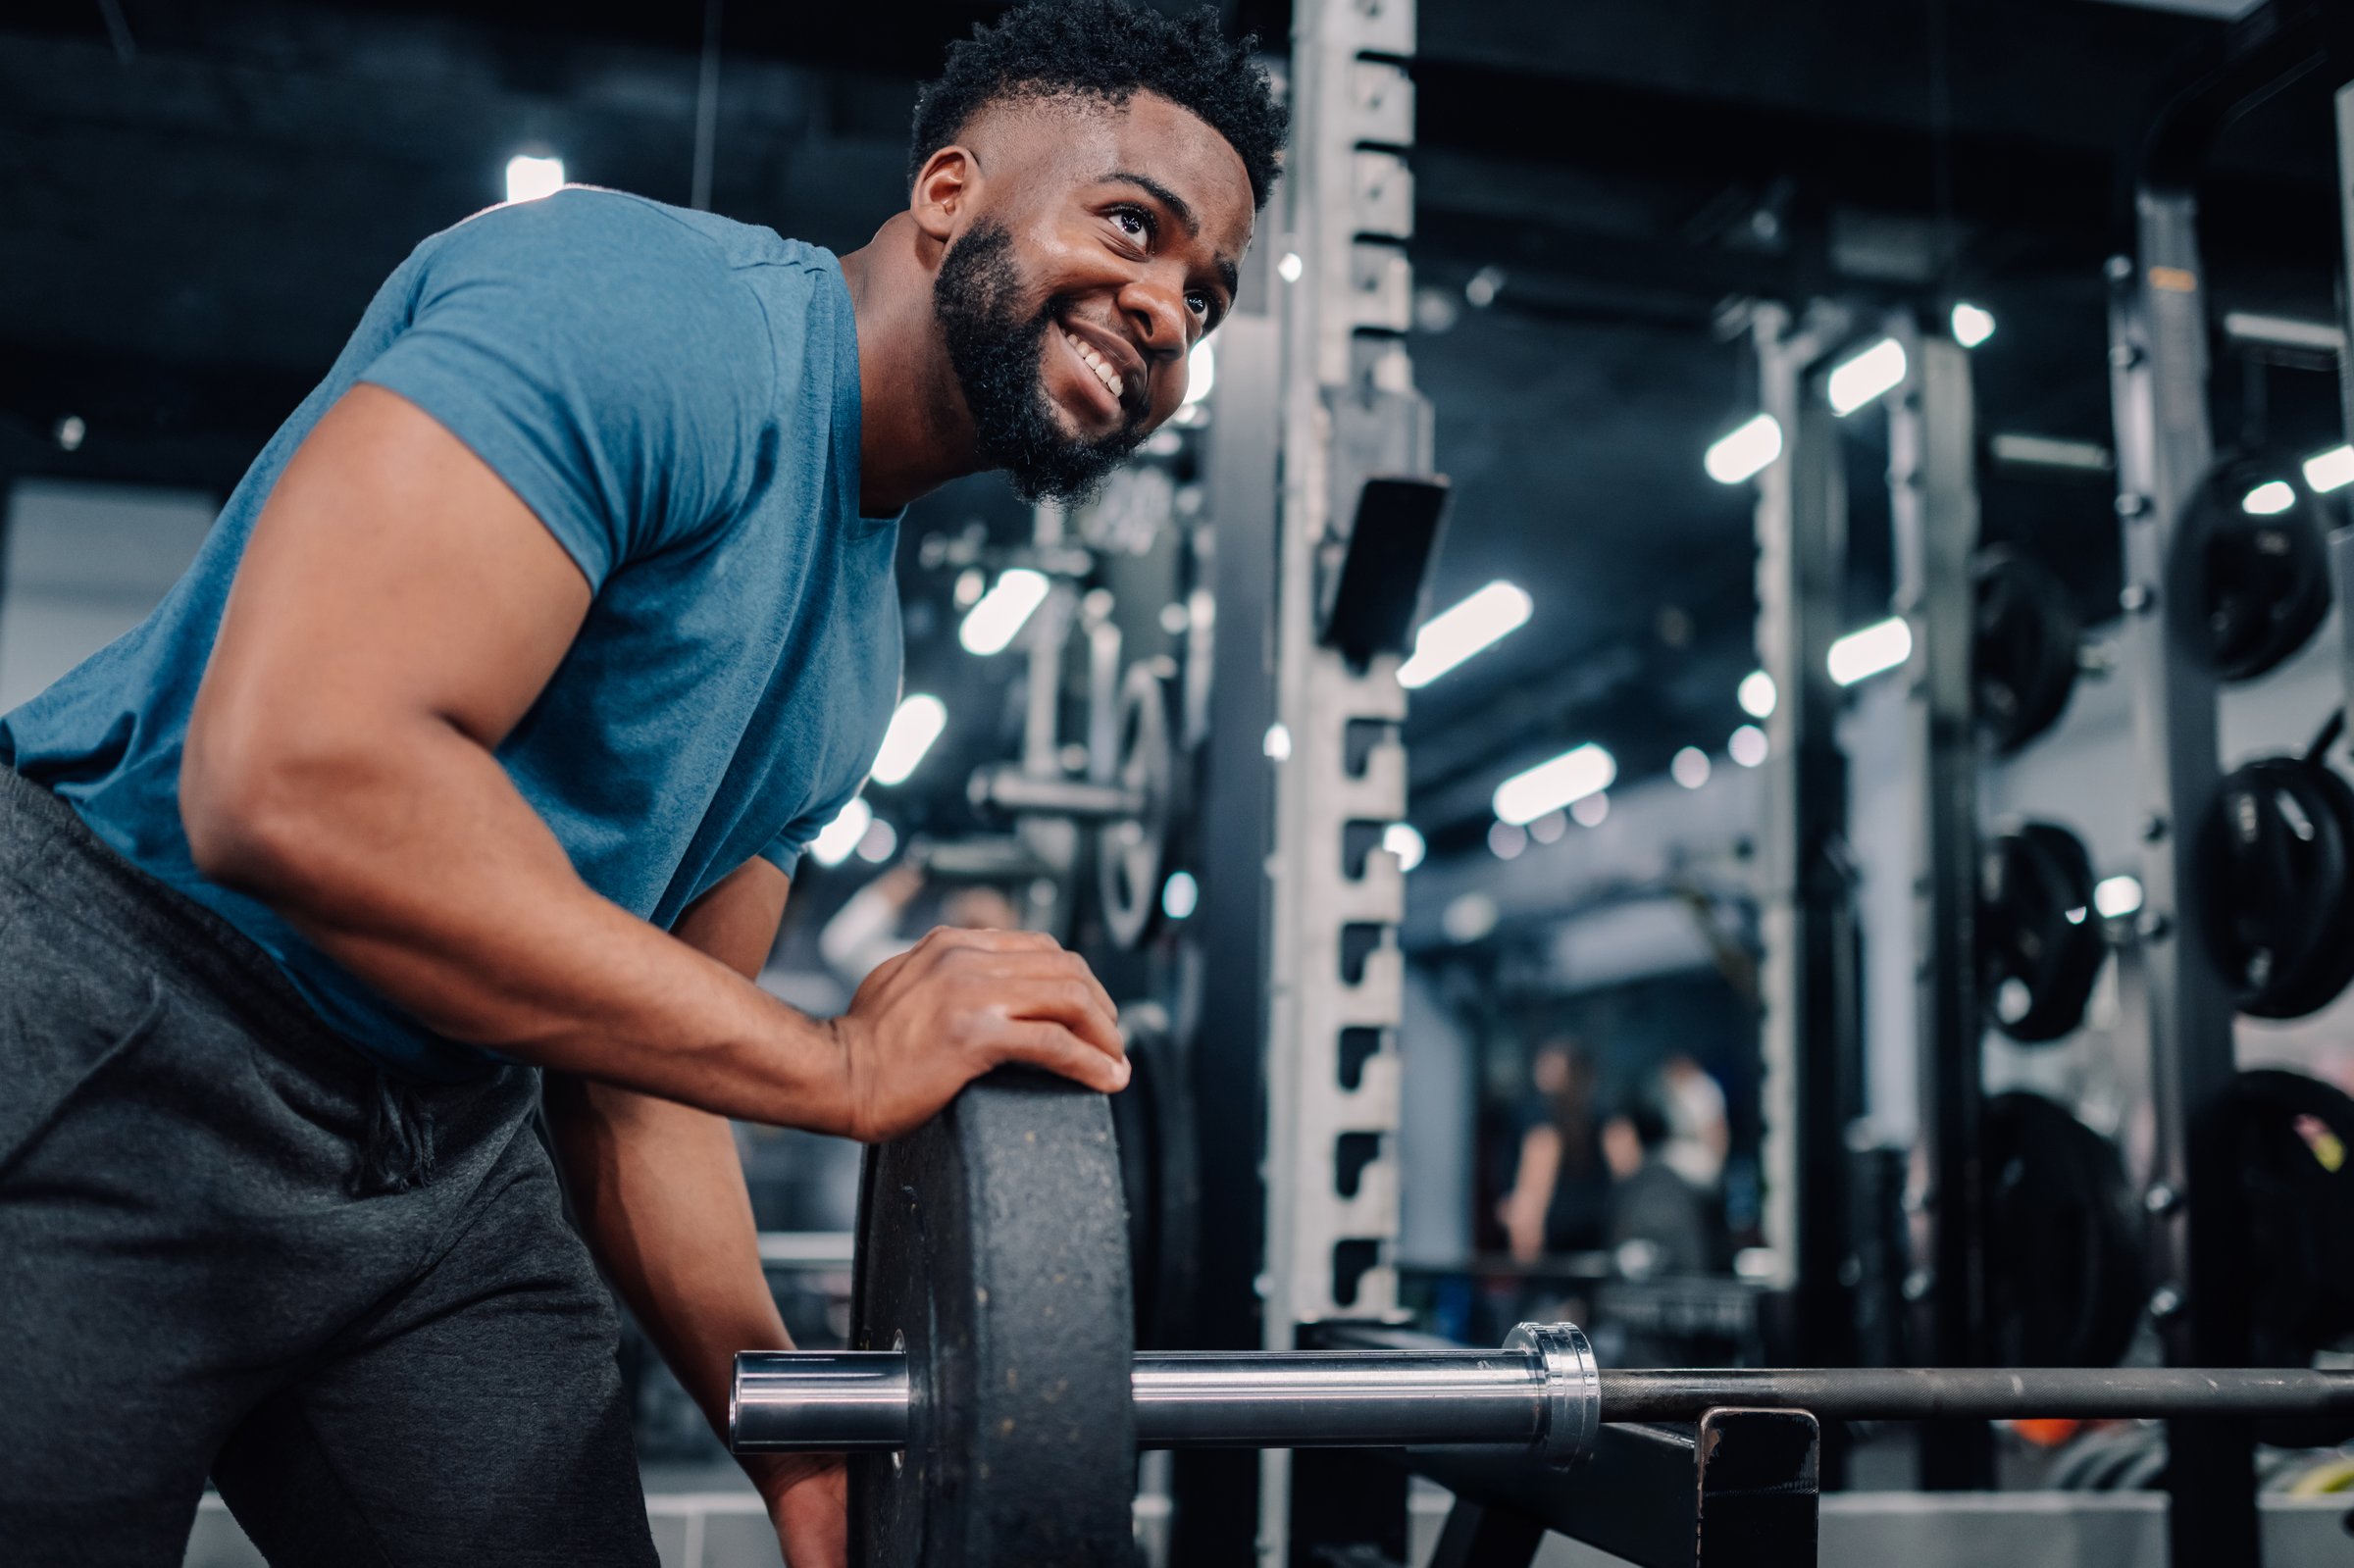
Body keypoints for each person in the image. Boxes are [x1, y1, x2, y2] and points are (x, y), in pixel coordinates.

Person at [0, 4, 1283, 1564]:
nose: (1163, 310)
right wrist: (835, 1066)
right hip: (128, 1027)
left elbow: (647, 1071)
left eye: (1203, 299)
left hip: (444, 1150)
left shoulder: (855, 663)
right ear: (949, 192)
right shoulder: (642, 309)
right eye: (1133, 225)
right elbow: (296, 779)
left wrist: (798, 1434)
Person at [1498, 1038, 1612, 1262]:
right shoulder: (1602, 1118)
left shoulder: (1542, 1122)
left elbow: (1534, 1187)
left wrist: (1525, 1228)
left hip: (1556, 1242)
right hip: (1593, 1234)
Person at [1601, 1096, 1715, 1277]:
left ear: (1636, 1137)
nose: (1607, 1149)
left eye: (1616, 1137)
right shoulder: (1638, 1186)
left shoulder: (1654, 1191)